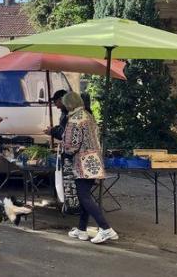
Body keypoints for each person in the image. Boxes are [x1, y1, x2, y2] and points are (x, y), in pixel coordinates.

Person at [62, 91, 119, 244]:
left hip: (83, 163)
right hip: (95, 161)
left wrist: (64, 150)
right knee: (85, 196)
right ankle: (81, 229)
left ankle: (106, 228)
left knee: (84, 197)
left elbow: (71, 146)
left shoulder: (74, 119)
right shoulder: (88, 116)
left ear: (68, 105)